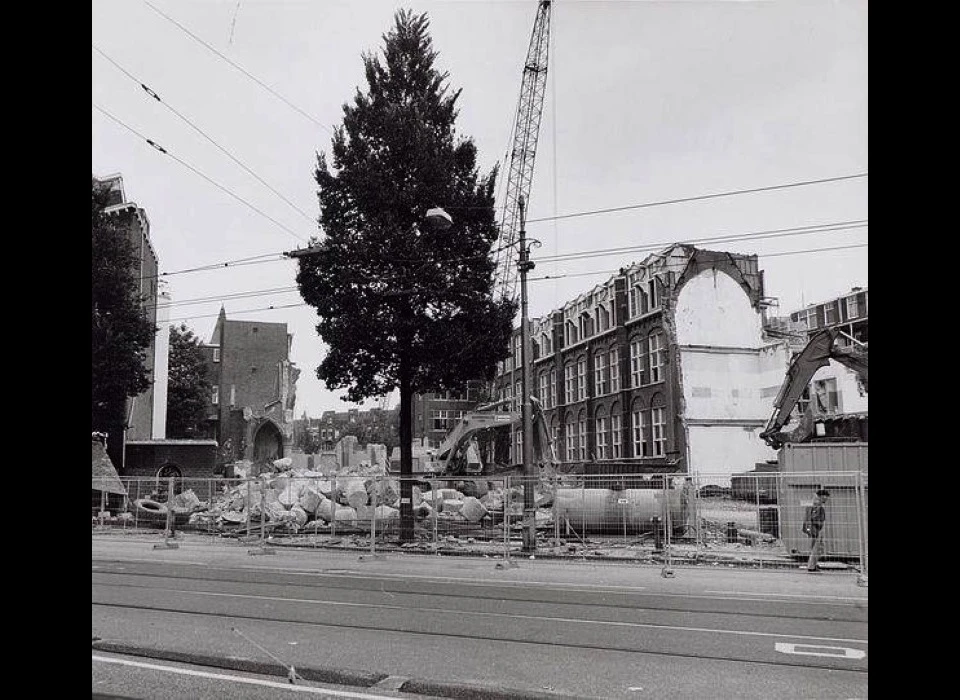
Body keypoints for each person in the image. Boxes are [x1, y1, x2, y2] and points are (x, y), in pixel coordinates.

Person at [803, 489, 830, 572]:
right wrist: (819, 525)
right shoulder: (817, 504)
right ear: (822, 496)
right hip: (815, 528)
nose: (826, 499)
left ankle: (813, 565)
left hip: (812, 528)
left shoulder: (813, 502)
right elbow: (814, 517)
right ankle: (811, 566)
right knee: (817, 547)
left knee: (816, 547)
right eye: (826, 497)